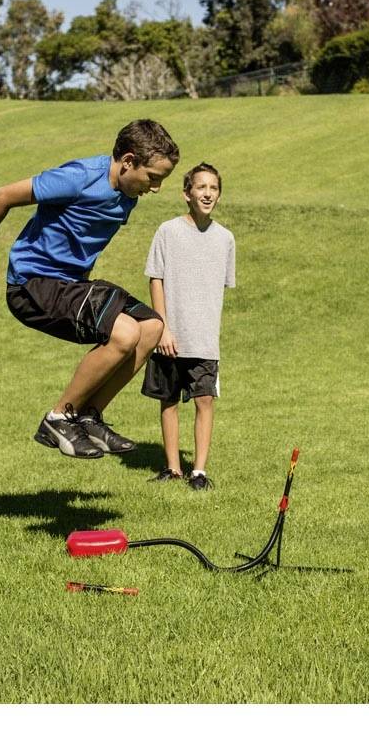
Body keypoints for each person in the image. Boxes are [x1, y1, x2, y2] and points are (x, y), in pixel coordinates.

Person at [0, 119, 179, 459]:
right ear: (128, 161)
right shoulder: (79, 177)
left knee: (151, 328)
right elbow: (3, 196)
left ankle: (89, 415)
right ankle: (59, 418)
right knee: (124, 334)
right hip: (32, 284)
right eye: (153, 177)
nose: (156, 187)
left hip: (70, 285)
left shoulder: (127, 194)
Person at [141, 162, 235, 490]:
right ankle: (172, 468)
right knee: (167, 400)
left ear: (218, 196)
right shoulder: (168, 231)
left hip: (204, 340)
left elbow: (215, 290)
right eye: (201, 187)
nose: (207, 193)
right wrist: (162, 328)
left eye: (213, 188)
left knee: (204, 400)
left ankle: (199, 472)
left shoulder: (225, 239)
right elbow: (156, 279)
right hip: (169, 336)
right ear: (187, 193)